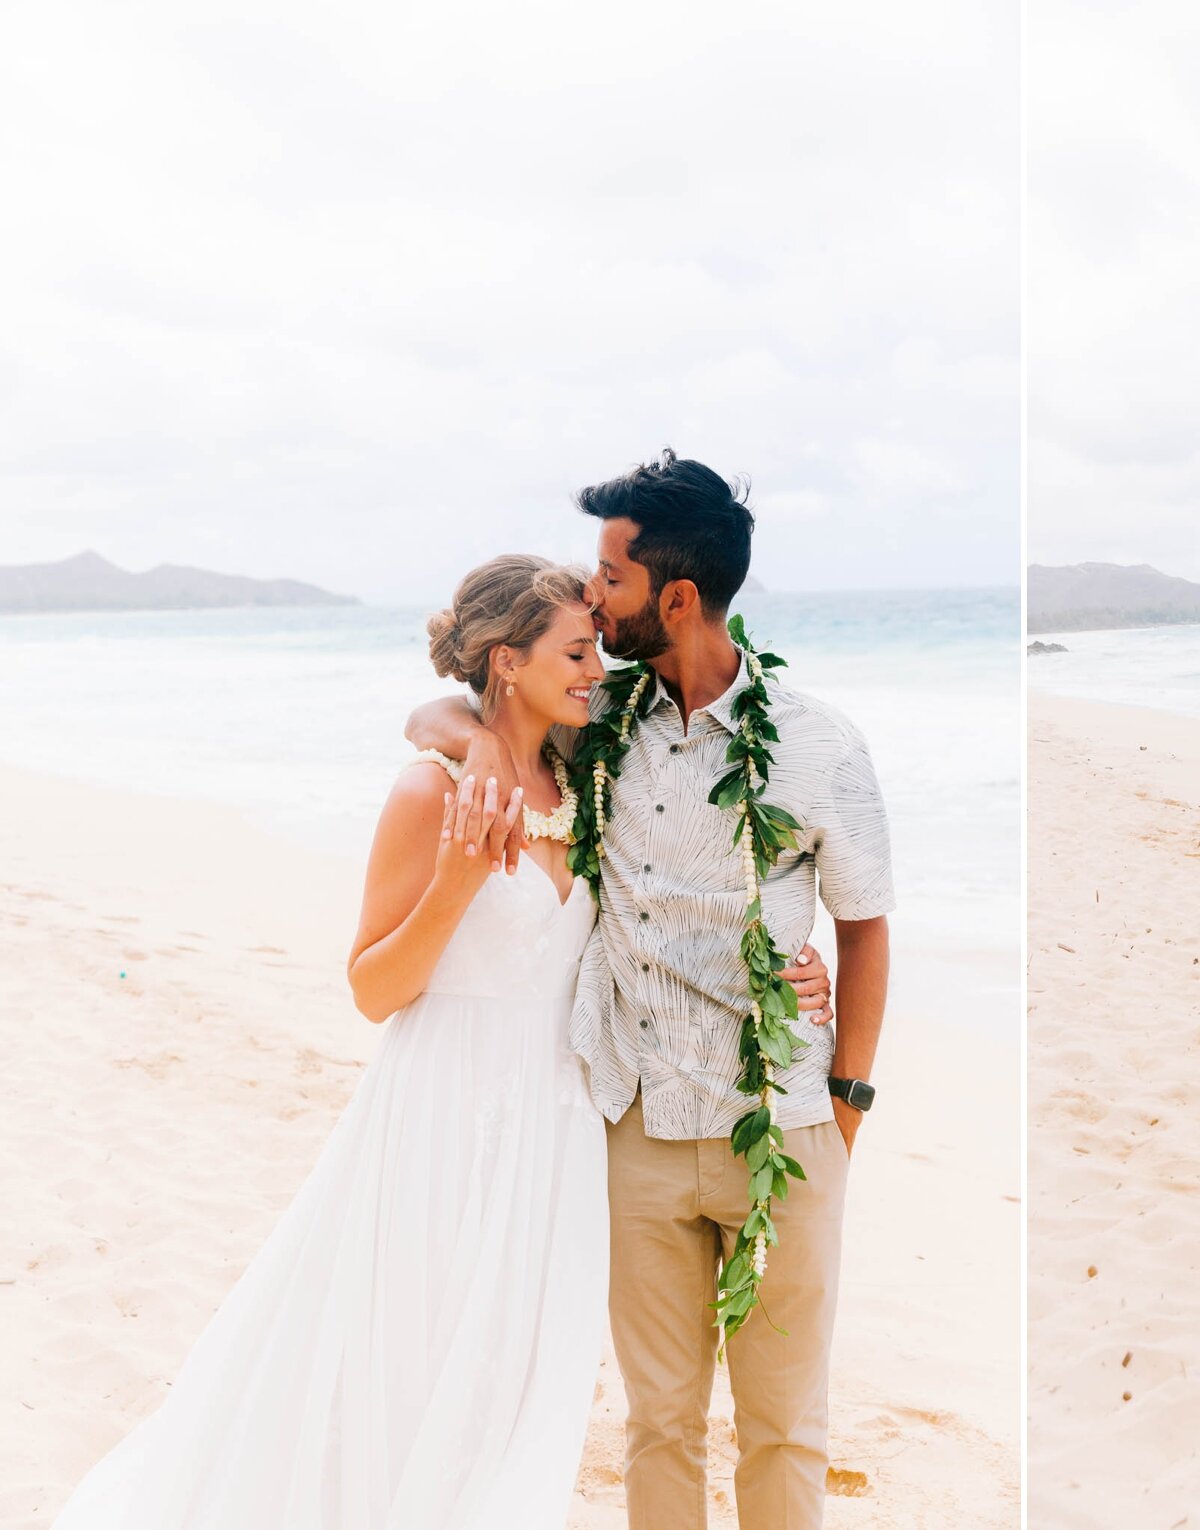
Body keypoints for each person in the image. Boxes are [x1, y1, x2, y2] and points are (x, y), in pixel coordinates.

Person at [54, 556, 613, 1528]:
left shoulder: (588, 778)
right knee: (406, 1361)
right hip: (441, 1110)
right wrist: (456, 883)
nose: (596, 668)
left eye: (598, 646)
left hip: (556, 1125)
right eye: (575, 650)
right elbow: (372, 987)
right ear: (504, 659)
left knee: (520, 1371)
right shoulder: (426, 792)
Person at [408, 451, 894, 1530]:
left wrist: (848, 1103)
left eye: (609, 578)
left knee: (784, 1427)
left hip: (785, 1130)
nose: (591, 598)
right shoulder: (597, 722)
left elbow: (863, 932)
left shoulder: (819, 747)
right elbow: (448, 713)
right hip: (631, 1129)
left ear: (675, 596)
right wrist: (474, 741)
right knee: (657, 1423)